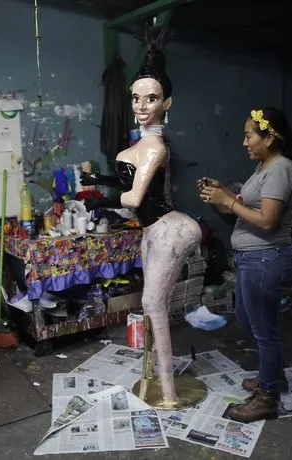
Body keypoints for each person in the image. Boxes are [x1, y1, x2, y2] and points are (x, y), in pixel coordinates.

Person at [83, 26, 202, 402]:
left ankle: (167, 393)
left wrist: (100, 202)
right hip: (151, 231)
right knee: (151, 303)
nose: (140, 106)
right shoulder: (137, 147)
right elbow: (132, 185)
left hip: (170, 228)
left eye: (151, 99)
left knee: (152, 303)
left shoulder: (153, 147)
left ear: (167, 103)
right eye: (136, 98)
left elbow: (134, 199)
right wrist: (98, 179)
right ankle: (154, 377)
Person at [198, 107, 292, 423]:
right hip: (254, 259)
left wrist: (228, 201)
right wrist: (225, 194)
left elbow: (268, 221)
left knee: (263, 330)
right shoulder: (263, 168)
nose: (244, 142)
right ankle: (272, 375)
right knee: (250, 318)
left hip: (267, 258)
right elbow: (248, 206)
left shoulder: (280, 169)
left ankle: (268, 397)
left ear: (269, 137)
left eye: (249, 135)